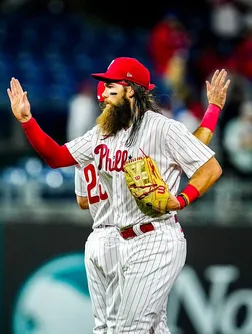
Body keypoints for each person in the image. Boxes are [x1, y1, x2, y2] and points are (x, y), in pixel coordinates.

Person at [7, 57, 228, 333]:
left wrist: (181, 200)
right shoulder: (102, 132)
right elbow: (57, 157)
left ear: (132, 90)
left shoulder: (162, 127)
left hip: (156, 237)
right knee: (147, 329)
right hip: (121, 241)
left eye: (112, 85)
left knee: (127, 329)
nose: (105, 91)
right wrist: (28, 121)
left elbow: (209, 167)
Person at [75, 76, 228, 333]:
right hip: (124, 235)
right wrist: (212, 112)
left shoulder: (90, 144)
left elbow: (82, 201)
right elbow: (190, 153)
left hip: (102, 236)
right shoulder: (133, 142)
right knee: (136, 327)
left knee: (117, 327)